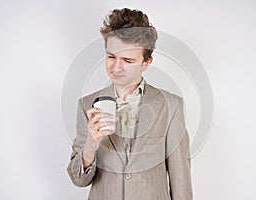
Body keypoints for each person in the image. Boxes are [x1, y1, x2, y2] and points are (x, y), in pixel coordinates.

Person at [67, 8, 193, 200]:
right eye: (111, 57)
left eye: (127, 60)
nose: (116, 67)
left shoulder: (171, 105)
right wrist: (91, 144)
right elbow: (78, 180)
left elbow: (180, 179)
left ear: (146, 62)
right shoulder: (86, 105)